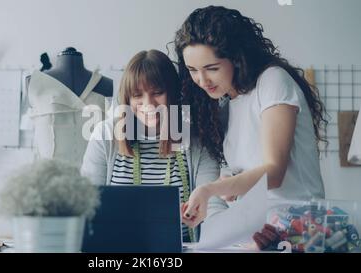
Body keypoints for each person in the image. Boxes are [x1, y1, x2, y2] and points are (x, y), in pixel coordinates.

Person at [174, 6, 327, 229]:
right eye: (192, 70)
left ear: (237, 58)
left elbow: (273, 173)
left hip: (301, 228)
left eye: (212, 68)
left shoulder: (273, 81)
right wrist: (217, 193)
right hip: (258, 230)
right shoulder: (226, 103)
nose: (202, 79)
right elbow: (244, 174)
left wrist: (210, 190)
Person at [80, 49, 227, 242]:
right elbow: (85, 205)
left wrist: (225, 233)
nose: (148, 104)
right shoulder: (105, 135)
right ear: (127, 98)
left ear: (174, 93)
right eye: (137, 95)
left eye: (157, 93)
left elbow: (213, 204)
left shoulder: (197, 140)